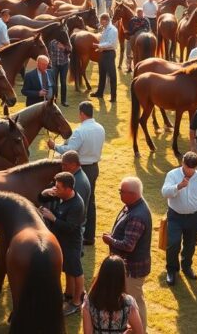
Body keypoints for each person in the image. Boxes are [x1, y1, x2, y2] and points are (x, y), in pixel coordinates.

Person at [48, 101, 105, 246]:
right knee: (90, 201)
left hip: (80, 169)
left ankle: (75, 234)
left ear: (81, 114)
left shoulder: (80, 131)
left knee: (76, 203)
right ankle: (89, 236)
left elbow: (70, 150)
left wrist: (55, 146)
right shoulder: (100, 128)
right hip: (94, 167)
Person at [102, 176, 152, 331]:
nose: (119, 194)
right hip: (131, 266)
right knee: (136, 299)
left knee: (133, 302)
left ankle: (139, 330)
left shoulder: (137, 215)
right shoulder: (133, 206)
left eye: (121, 191)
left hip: (132, 268)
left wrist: (110, 240)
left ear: (132, 194)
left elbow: (128, 245)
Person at [38, 171, 85, 315]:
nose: (55, 189)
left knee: (76, 271)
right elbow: (40, 198)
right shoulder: (60, 195)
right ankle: (68, 295)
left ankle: (77, 302)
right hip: (60, 240)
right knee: (68, 269)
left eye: (58, 187)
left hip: (71, 242)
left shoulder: (77, 205)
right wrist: (45, 192)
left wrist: (53, 218)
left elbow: (70, 227)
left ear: (68, 189)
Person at [161, 151, 197, 285]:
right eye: (188, 168)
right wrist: (178, 186)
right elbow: (164, 192)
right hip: (175, 216)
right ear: (183, 163)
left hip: (194, 218)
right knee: (174, 243)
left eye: (193, 168)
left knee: (190, 245)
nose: (190, 171)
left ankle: (187, 266)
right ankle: (171, 270)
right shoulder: (172, 175)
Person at [82, 255, 144, 334]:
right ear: (121, 277)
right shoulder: (128, 303)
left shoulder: (89, 301)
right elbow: (139, 332)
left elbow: (88, 333)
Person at [91, 13, 118, 103]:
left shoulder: (112, 30)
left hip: (109, 53)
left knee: (112, 75)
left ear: (105, 20)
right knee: (102, 74)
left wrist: (98, 45)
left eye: (101, 21)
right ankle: (100, 92)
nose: (100, 23)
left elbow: (111, 43)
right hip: (103, 53)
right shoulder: (106, 28)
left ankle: (113, 96)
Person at [125, 7, 151, 73]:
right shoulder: (133, 20)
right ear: (136, 13)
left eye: (141, 13)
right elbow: (130, 30)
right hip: (134, 34)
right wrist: (130, 32)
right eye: (139, 13)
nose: (140, 14)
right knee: (128, 47)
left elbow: (148, 29)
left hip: (144, 34)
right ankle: (129, 66)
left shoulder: (146, 20)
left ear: (143, 13)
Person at [48, 35, 71, 107]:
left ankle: (63, 101)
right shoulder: (52, 42)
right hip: (55, 64)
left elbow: (70, 51)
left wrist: (63, 48)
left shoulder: (66, 42)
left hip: (64, 64)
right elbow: (49, 53)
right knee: (54, 82)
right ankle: (54, 100)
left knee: (63, 82)